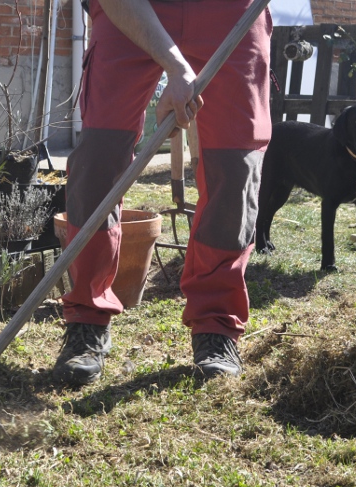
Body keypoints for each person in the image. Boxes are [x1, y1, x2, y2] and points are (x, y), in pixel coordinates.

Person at [53, 0, 273, 385]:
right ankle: (87, 316)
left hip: (232, 10)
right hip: (133, 8)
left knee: (235, 168)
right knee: (99, 158)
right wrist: (175, 68)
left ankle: (216, 325)